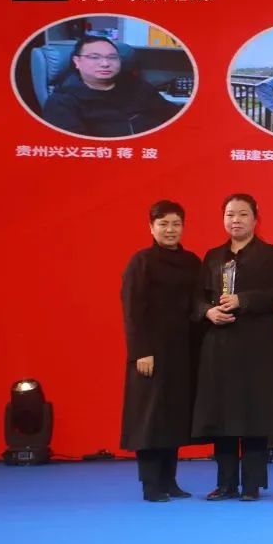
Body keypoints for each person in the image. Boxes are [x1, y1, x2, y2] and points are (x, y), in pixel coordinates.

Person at [193, 193, 273, 501]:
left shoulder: (270, 254)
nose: (236, 220)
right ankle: (225, 483)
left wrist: (243, 300)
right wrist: (208, 311)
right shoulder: (213, 256)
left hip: (257, 347)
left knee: (254, 414)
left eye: (243, 214)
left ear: (255, 218)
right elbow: (196, 296)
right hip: (219, 345)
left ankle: (251, 484)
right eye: (230, 215)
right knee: (222, 415)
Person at [120, 200, 202, 502]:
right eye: (163, 224)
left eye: (176, 224)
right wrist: (140, 351)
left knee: (174, 417)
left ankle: (170, 480)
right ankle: (150, 484)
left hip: (182, 351)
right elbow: (132, 310)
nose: (170, 230)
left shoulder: (192, 262)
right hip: (150, 354)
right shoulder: (141, 262)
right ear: (151, 227)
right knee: (150, 418)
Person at [42, 35, 181, 137]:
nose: (105, 64)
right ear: (77, 61)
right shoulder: (61, 101)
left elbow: (172, 114)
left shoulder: (136, 85)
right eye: (94, 57)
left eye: (112, 57)